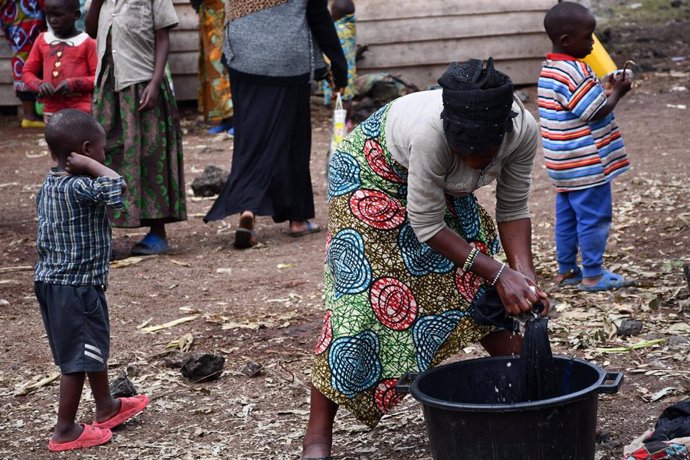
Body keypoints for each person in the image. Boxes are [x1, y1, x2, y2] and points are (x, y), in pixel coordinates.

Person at [301, 58, 549, 459]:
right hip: (370, 173)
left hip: (434, 191)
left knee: (473, 282)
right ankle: (317, 438)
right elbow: (429, 227)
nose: (471, 159)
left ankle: (536, 390)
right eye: (462, 149)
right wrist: (499, 272)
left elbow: (514, 206)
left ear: (503, 135)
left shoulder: (523, 133)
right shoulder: (430, 134)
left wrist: (522, 276)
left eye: (480, 153)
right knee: (359, 301)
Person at [35, 109, 149, 452]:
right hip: (76, 287)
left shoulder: (49, 185)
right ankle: (65, 430)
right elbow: (117, 187)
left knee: (90, 348)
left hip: (55, 284)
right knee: (76, 359)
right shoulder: (80, 185)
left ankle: (107, 406)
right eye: (101, 151)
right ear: (86, 150)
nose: (104, 157)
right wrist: (93, 166)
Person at [203, 0, 348, 249]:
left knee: (250, 135)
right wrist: (338, 62)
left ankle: (248, 209)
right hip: (287, 59)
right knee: (294, 137)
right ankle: (298, 220)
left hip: (244, 56)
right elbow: (316, 14)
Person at [539, 2, 635, 291]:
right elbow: (594, 111)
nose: (593, 42)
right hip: (585, 164)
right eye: (588, 36)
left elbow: (578, 104)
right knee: (594, 217)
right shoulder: (575, 70)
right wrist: (617, 92)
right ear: (567, 40)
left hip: (562, 165)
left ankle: (566, 270)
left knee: (567, 218)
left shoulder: (550, 68)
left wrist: (604, 88)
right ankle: (593, 274)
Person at [85, 0, 187, 255]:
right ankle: (102, 237)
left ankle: (157, 233)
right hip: (108, 89)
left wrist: (155, 82)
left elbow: (162, 38)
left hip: (143, 87)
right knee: (104, 158)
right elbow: (90, 29)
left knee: (152, 157)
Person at [22, 0, 97, 122]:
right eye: (49, 15)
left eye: (58, 15)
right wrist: (39, 85)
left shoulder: (87, 42)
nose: (52, 20)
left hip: (81, 110)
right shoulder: (42, 40)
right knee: (55, 139)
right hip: (52, 110)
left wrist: (74, 84)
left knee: (77, 140)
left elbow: (97, 78)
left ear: (76, 15)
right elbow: (27, 72)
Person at [0, 0, 46, 127]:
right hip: (22, 14)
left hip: (26, 14)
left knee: (32, 54)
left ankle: (32, 114)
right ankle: (29, 115)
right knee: (25, 56)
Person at [192, 0, 234, 134]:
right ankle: (226, 118)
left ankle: (239, 118)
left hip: (227, 9)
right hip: (208, 10)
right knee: (213, 64)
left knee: (228, 58)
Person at [322, 0, 356, 121]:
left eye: (332, 12)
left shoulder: (337, 30)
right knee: (345, 97)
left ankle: (343, 122)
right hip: (349, 69)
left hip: (338, 69)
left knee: (340, 96)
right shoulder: (349, 25)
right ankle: (347, 120)